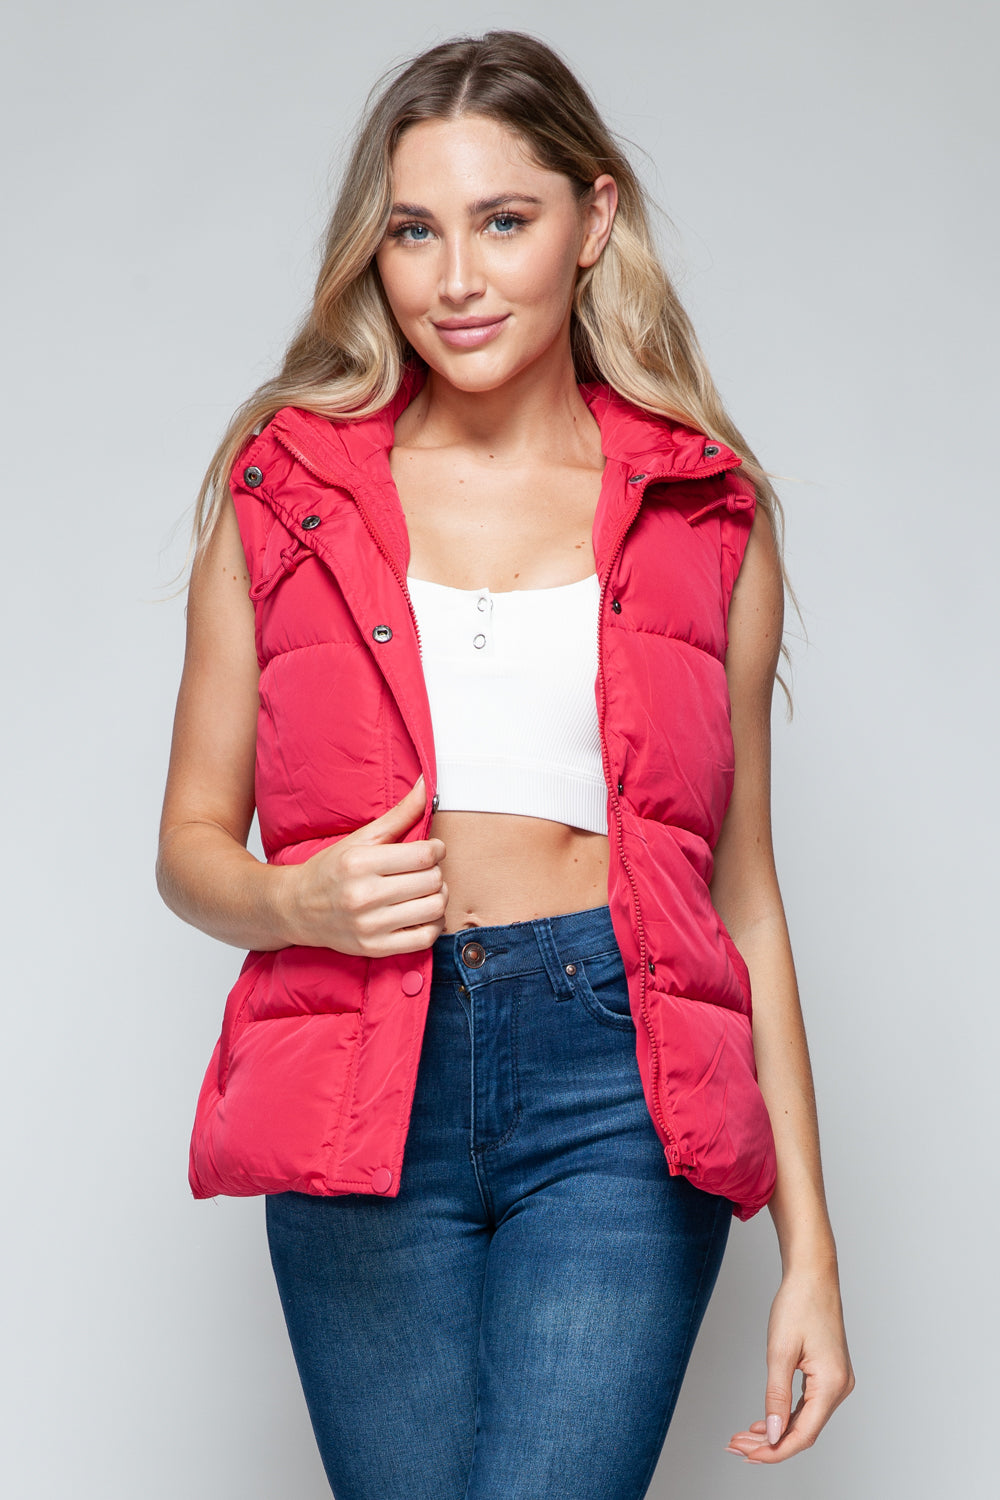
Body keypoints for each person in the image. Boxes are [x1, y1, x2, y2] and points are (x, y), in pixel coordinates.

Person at [156, 29, 854, 1500]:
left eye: (504, 221)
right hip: (358, 1071)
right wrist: (299, 902)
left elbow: (743, 897)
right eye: (415, 230)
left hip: (616, 1075)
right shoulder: (284, 492)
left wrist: (813, 1256)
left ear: (594, 222)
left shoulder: (702, 512)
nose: (456, 279)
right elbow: (192, 847)